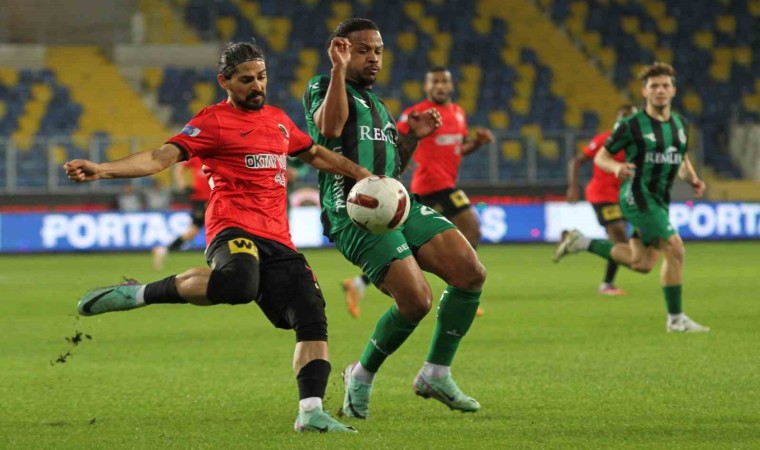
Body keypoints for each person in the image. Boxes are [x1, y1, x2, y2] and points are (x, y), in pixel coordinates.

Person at [63, 41, 373, 433]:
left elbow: (313, 153)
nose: (257, 86)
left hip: (278, 237)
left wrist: (359, 173)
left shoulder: (278, 120)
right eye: (246, 80)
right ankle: (139, 293)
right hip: (233, 226)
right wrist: (103, 169)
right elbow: (160, 157)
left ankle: (310, 412)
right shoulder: (212, 121)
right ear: (224, 81)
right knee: (240, 284)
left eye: (261, 77)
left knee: (311, 315)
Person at [303, 18, 487, 418]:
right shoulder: (323, 85)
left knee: (470, 272)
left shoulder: (380, 106)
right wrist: (337, 70)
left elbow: (392, 169)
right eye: (363, 50)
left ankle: (436, 373)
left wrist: (412, 138)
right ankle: (361, 375)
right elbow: (329, 128)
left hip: (398, 205)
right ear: (342, 51)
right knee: (416, 301)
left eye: (379, 51)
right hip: (353, 213)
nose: (374, 58)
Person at [553, 62, 709, 333]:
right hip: (636, 197)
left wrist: (692, 178)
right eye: (654, 86)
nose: (660, 90)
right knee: (675, 248)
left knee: (642, 263)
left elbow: (681, 158)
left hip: (659, 199)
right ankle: (676, 320)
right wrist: (616, 168)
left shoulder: (681, 125)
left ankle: (581, 242)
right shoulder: (631, 125)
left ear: (673, 90)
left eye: (665, 85)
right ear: (644, 91)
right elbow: (601, 157)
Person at [340, 67, 492, 318]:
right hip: (430, 185)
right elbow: (394, 140)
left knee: (416, 243)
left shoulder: (458, 113)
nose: (440, 86)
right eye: (435, 82)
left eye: (444, 81)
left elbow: (456, 149)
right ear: (427, 86)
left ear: (451, 86)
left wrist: (476, 143)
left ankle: (358, 283)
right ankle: (462, 289)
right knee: (471, 228)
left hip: (446, 183)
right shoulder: (417, 114)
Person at [565, 104, 637, 295]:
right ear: (617, 120)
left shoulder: (639, 145)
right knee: (620, 238)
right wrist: (573, 186)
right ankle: (582, 244)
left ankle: (607, 283)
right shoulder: (604, 140)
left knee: (618, 243)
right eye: (623, 117)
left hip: (623, 197)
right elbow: (577, 161)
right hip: (601, 195)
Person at [152, 157, 210, 270]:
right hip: (200, 200)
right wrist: (183, 185)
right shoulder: (197, 158)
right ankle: (163, 250)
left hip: (216, 197)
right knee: (193, 232)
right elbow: (179, 169)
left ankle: (162, 250)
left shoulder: (218, 157)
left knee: (193, 232)